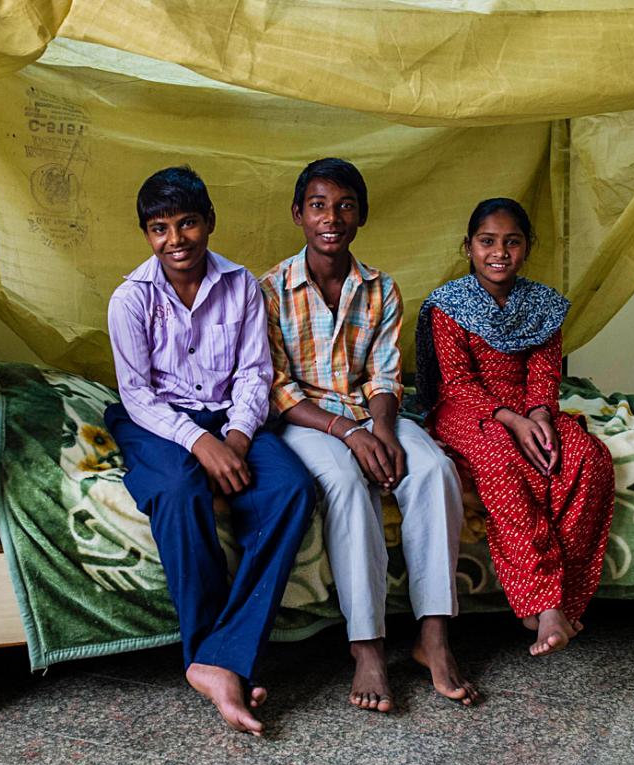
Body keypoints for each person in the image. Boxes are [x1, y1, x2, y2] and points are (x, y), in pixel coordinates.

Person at [260, 157, 480, 712]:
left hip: (370, 412)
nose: (331, 218)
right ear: (298, 215)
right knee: (344, 484)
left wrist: (380, 429)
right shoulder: (269, 290)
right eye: (318, 206)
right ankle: (367, 646)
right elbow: (277, 387)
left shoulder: (381, 288)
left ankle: (433, 637)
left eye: (345, 206)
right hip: (308, 420)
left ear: (361, 216)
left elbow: (385, 375)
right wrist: (347, 433)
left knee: (432, 469)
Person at [104, 166, 315, 735]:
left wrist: (238, 438)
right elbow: (138, 395)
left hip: (232, 417)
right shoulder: (130, 299)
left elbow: (254, 373)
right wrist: (200, 442)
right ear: (147, 234)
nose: (176, 240)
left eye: (187, 223)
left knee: (291, 489)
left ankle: (220, 656)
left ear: (209, 223)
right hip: (157, 422)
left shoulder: (241, 284)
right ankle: (214, 658)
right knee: (177, 488)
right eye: (160, 228)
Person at [416, 197, 615, 657]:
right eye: (487, 242)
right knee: (503, 461)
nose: (498, 252)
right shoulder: (449, 305)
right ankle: (541, 603)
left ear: (528, 247)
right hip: (467, 409)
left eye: (511, 242)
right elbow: (457, 383)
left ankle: (565, 602)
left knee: (587, 457)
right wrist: (510, 421)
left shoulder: (543, 305)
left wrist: (541, 416)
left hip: (530, 406)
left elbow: (545, 372)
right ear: (468, 247)